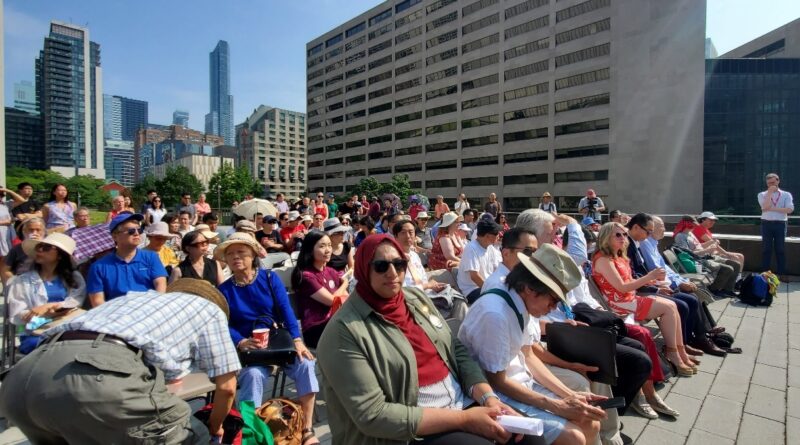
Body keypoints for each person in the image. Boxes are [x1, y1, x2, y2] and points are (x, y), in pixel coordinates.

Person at [317, 234, 546, 445]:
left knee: (530, 439)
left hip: (462, 402)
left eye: (399, 264)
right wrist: (464, 420)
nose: (393, 273)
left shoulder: (415, 298)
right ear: (363, 271)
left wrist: (488, 398)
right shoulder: (343, 332)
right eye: (381, 266)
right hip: (413, 428)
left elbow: (455, 349)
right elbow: (373, 415)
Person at [0, 279, 240, 444]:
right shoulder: (208, 310)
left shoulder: (133, 300)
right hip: (95, 377)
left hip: (22, 379)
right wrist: (215, 425)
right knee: (191, 433)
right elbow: (227, 387)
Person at [516, 210, 664, 423]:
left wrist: (595, 316)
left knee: (636, 348)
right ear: (532, 237)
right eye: (552, 232)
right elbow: (528, 341)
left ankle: (614, 413)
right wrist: (574, 224)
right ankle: (610, 416)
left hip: (572, 323)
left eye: (558, 232)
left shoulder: (551, 263)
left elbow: (580, 299)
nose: (556, 237)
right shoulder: (530, 272)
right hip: (557, 333)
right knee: (632, 361)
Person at [461, 243, 606, 445]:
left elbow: (528, 355)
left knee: (590, 422)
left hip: (519, 384)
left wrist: (571, 396)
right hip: (493, 395)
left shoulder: (521, 301)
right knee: (574, 437)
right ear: (530, 288)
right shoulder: (495, 313)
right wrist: (557, 404)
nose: (553, 308)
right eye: (553, 300)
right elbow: (497, 381)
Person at [216, 233, 321, 445]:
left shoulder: (270, 279)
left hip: (278, 343)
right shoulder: (224, 290)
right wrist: (240, 341)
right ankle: (253, 434)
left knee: (306, 364)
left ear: (253, 255)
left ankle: (307, 429)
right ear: (225, 260)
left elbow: (286, 311)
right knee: (253, 375)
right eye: (230, 254)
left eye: (241, 253)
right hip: (250, 348)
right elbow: (223, 324)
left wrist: (297, 340)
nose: (236, 257)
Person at [592, 222, 696, 377]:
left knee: (672, 305)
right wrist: (649, 276)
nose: (623, 238)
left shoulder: (618, 256)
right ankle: (673, 352)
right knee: (668, 308)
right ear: (606, 237)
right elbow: (622, 287)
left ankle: (679, 350)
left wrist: (651, 281)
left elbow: (628, 281)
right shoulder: (603, 260)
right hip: (618, 304)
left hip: (628, 298)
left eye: (624, 234)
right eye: (618, 235)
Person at [639, 216, 727, 356]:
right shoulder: (645, 244)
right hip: (658, 286)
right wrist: (680, 283)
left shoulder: (653, 243)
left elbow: (665, 269)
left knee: (694, 295)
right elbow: (656, 270)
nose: (664, 229)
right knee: (690, 300)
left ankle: (701, 335)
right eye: (661, 226)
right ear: (651, 228)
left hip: (664, 282)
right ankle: (694, 339)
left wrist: (681, 280)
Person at [7, 233, 86, 354]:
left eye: (46, 248)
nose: (40, 250)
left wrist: (48, 307)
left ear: (60, 255)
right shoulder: (22, 280)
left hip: (66, 329)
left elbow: (76, 302)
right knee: (42, 344)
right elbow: (17, 314)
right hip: (35, 332)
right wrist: (45, 315)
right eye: (39, 247)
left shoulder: (74, 278)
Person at [87, 213, 168, 306]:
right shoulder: (98, 267)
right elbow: (97, 302)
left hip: (148, 308)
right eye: (131, 231)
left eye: (139, 230)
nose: (137, 233)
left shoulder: (151, 257)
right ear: (115, 236)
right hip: (116, 313)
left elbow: (160, 285)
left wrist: (155, 307)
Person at [395, 220, 467, 320]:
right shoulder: (393, 260)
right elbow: (403, 291)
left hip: (427, 292)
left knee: (458, 299)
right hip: (412, 299)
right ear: (396, 236)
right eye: (403, 233)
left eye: (411, 232)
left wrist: (433, 285)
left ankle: (462, 332)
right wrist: (428, 285)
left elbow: (423, 279)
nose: (408, 236)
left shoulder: (414, 256)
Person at [291, 231, 349, 348]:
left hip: (334, 322)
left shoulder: (331, 271)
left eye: (329, 245)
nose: (328, 250)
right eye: (322, 246)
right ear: (310, 249)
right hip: (316, 328)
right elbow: (332, 301)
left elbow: (346, 299)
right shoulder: (306, 276)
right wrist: (345, 284)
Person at [673, 215, 739, 296]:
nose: (694, 226)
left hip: (705, 256)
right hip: (698, 261)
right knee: (728, 269)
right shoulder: (680, 236)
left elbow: (698, 246)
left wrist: (711, 242)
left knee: (736, 265)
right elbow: (688, 254)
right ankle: (714, 289)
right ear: (687, 224)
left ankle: (728, 289)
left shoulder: (690, 233)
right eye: (693, 224)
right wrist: (708, 250)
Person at [457, 219, 503, 303]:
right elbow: (474, 276)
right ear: (488, 236)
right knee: (500, 300)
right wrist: (492, 290)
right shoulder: (471, 249)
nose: (499, 235)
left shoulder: (490, 248)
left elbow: (496, 269)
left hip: (486, 285)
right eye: (496, 233)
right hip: (472, 289)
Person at [758, 172, 794, 276]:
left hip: (780, 224)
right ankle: (765, 274)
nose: (771, 185)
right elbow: (764, 208)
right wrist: (769, 193)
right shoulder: (762, 194)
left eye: (773, 182)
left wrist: (773, 208)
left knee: (780, 249)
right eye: (769, 183)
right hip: (766, 224)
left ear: (778, 181)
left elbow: (790, 209)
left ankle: (781, 273)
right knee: (766, 249)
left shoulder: (786, 194)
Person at [0, 217, 45, 284]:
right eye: (31, 230)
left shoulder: (49, 249)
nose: (34, 233)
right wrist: (17, 282)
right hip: (21, 283)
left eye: (38, 230)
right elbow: (5, 270)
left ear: (43, 232)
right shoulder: (17, 249)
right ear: (24, 232)